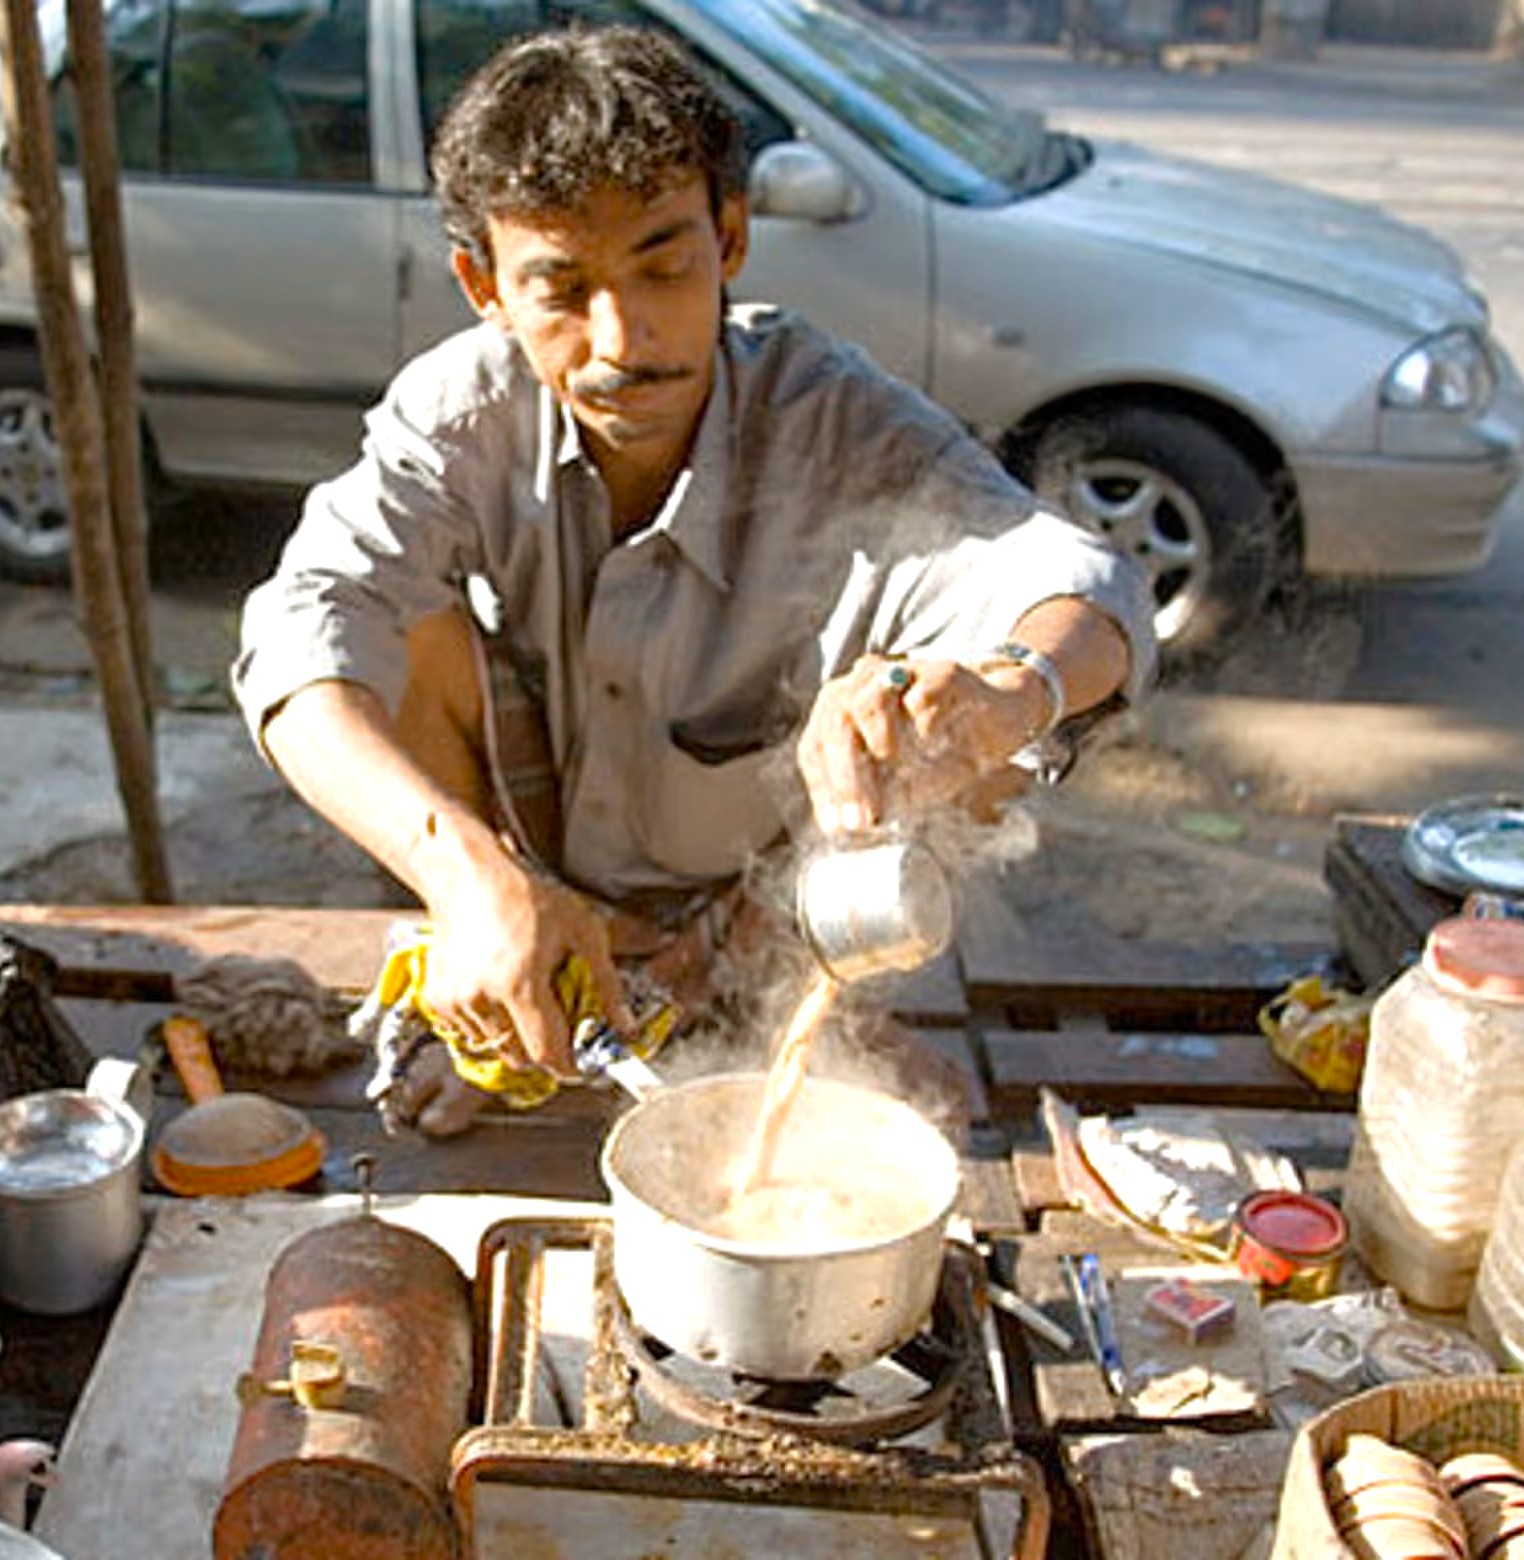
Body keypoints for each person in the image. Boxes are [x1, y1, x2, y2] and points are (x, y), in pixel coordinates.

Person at [233, 24, 1155, 1130]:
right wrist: (465, 874)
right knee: (403, 636)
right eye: (562, 290)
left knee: (968, 731)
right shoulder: (460, 413)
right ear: (485, 285)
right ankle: (517, 978)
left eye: (664, 267)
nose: (622, 340)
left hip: (767, 907)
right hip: (536, 866)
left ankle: (777, 1008)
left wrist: (1009, 690)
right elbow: (299, 627)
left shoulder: (832, 416)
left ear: (730, 238)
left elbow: (1076, 577)